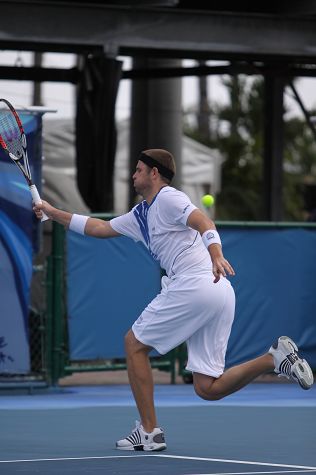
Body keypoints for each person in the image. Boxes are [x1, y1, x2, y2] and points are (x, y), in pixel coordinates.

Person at [33, 148, 314, 452]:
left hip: (196, 282)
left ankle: (149, 432)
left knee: (133, 344)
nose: (133, 175)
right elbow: (98, 227)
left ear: (154, 174)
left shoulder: (168, 197)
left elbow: (203, 221)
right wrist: (51, 211)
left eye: (139, 169)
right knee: (208, 387)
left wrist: (216, 252)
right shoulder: (141, 214)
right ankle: (273, 358)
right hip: (219, 291)